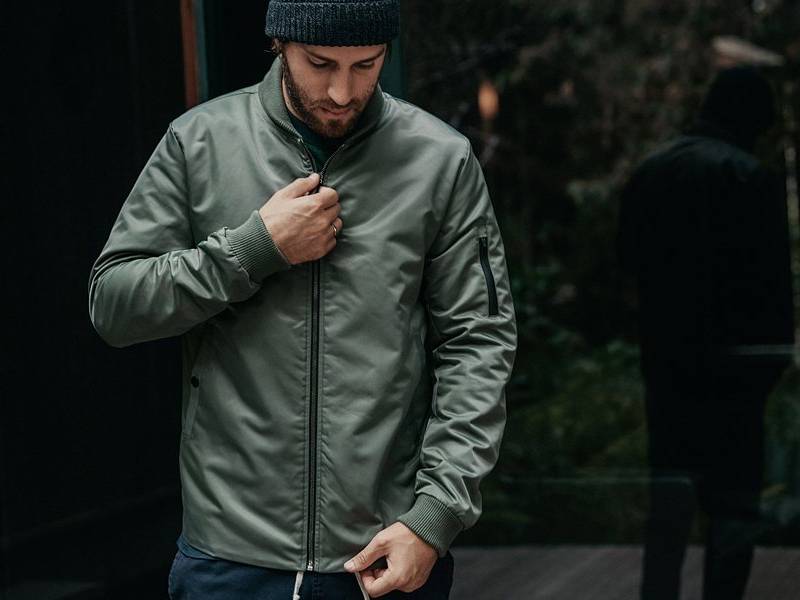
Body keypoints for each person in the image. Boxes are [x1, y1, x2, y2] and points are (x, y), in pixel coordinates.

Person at [87, 1, 518, 598]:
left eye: (366, 65)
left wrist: (434, 516)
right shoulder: (199, 142)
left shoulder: (440, 160)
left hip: (384, 552)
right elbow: (114, 305)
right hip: (228, 558)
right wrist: (255, 248)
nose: (342, 92)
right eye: (320, 64)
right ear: (280, 44)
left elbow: (478, 343)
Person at [617, 66, 794, 600]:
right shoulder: (749, 178)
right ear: (751, 117)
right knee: (733, 510)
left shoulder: (651, 172)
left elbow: (627, 272)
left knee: (669, 507)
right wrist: (771, 362)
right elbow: (771, 288)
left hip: (669, 369)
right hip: (735, 374)